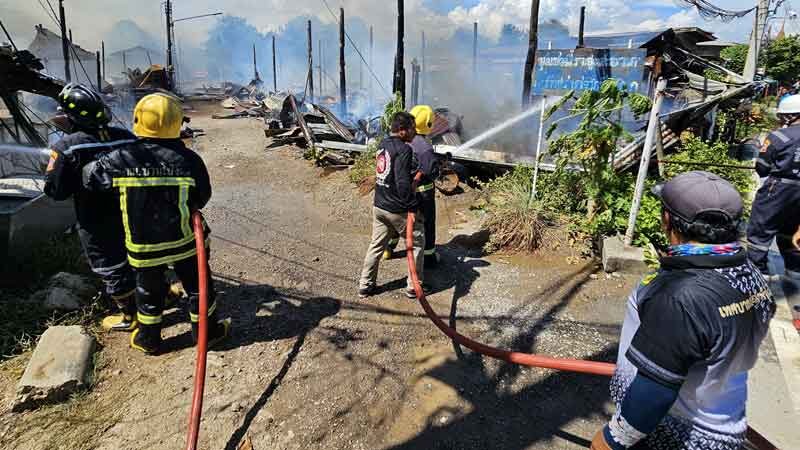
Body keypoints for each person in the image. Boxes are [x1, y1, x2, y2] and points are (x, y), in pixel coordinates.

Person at [591, 171, 775, 450]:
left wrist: (614, 439)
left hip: (674, 433)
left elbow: (655, 390)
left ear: (667, 219)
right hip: (725, 425)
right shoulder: (749, 273)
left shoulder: (680, 296)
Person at [84, 93, 230, 354]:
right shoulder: (189, 160)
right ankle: (207, 335)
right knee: (199, 288)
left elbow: (91, 179)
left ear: (138, 120)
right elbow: (202, 197)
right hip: (185, 240)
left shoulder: (120, 158)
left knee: (148, 291)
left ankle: (149, 340)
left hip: (143, 245)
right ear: (176, 123)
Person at [44, 83, 138, 332]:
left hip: (95, 220)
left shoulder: (66, 147)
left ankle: (130, 316)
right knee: (139, 256)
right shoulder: (126, 136)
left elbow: (56, 190)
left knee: (110, 264)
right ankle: (155, 293)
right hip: (135, 213)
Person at [359, 111, 425, 299]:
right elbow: (403, 183)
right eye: (413, 129)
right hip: (397, 209)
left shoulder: (383, 144)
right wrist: (412, 207)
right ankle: (414, 287)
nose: (415, 133)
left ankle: (365, 285)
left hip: (379, 205)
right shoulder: (404, 149)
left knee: (376, 245)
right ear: (403, 130)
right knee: (418, 241)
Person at [747, 94, 800, 280]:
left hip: (778, 189)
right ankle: (795, 269)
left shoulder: (779, 136)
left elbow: (762, 167)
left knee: (761, 228)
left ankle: (758, 270)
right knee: (792, 230)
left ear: (789, 116)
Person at [384, 105, 440, 268]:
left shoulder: (400, 141)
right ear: (428, 124)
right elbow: (430, 171)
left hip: (400, 191)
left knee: (397, 220)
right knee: (427, 223)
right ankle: (429, 257)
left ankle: (389, 249)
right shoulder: (424, 147)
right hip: (423, 194)